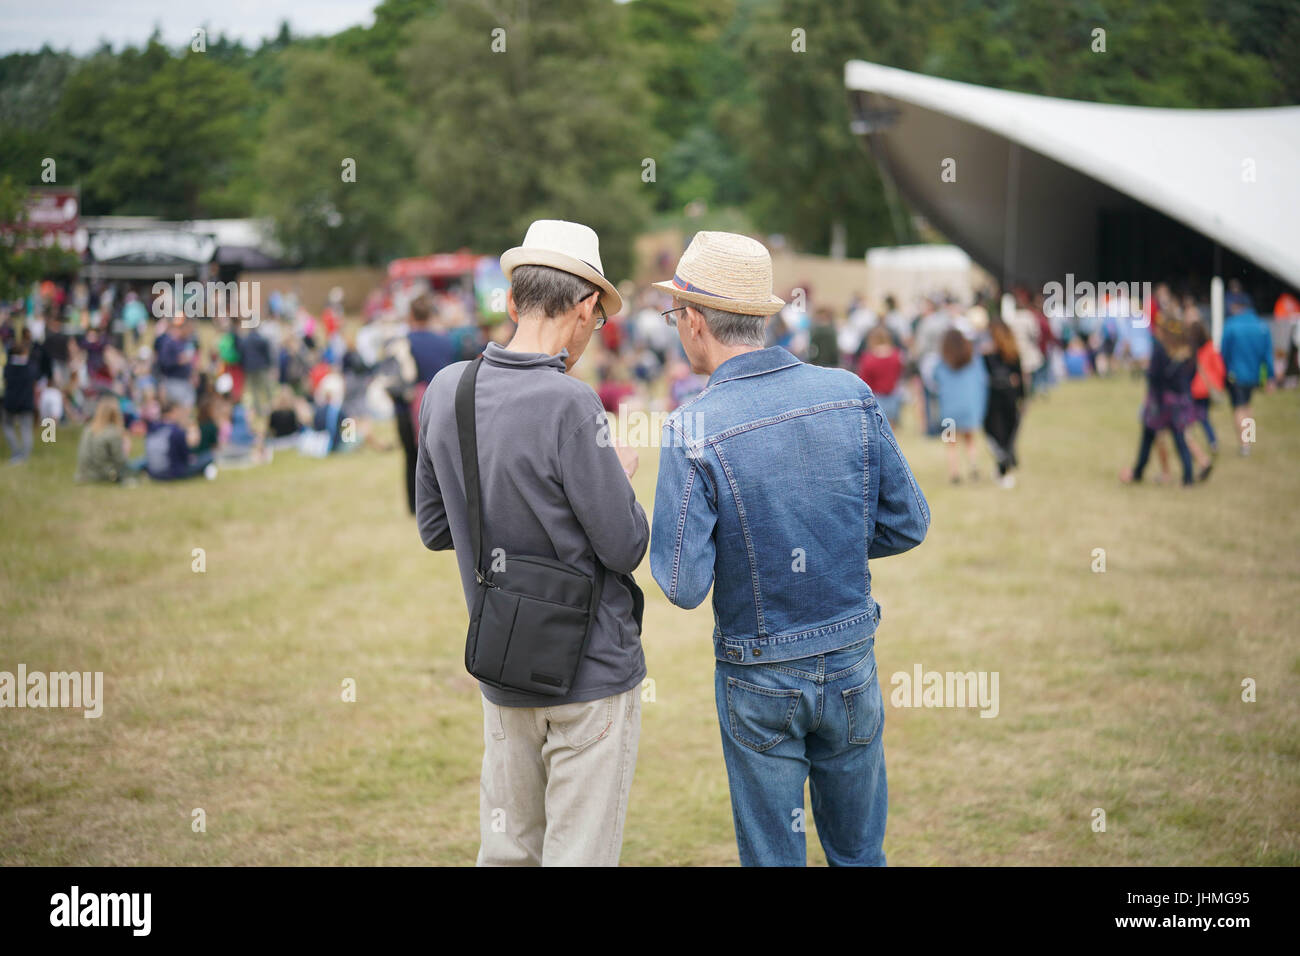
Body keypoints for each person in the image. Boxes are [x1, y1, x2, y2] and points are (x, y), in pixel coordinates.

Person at [648, 231, 930, 867]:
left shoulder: (693, 425)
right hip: (851, 655)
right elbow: (908, 521)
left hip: (760, 673)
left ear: (693, 319)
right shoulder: (850, 393)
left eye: (675, 316)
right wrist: (826, 549)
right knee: (861, 855)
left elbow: (681, 583)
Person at [416, 220, 648, 867]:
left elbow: (435, 528)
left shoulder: (445, 392)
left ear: (513, 302)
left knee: (508, 852)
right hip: (590, 673)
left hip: (503, 666)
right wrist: (620, 476)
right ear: (583, 308)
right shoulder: (574, 405)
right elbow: (625, 544)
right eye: (596, 318)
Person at [1120, 315, 1204, 486]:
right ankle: (1188, 478)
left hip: (1160, 402)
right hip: (1179, 401)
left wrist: (1153, 398)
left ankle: (1137, 473)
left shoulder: (1160, 349)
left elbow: (1153, 376)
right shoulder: (1186, 351)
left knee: (1148, 438)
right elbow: (1192, 374)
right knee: (1180, 439)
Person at [1219, 292, 1273, 456]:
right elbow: (1267, 354)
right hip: (1254, 375)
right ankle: (1249, 439)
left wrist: (1222, 374)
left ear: (1237, 306)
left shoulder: (1231, 325)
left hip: (1235, 374)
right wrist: (1270, 377)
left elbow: (1223, 353)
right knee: (1248, 406)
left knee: (1239, 408)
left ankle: (1244, 445)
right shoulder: (1261, 325)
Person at [934, 328, 988, 483]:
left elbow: (935, 379)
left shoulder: (942, 363)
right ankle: (973, 466)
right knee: (970, 439)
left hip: (949, 410)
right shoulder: (973, 359)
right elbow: (981, 380)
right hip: (968, 408)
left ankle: (954, 472)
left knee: (950, 443)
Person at [983, 319, 1026, 488]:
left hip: (1001, 400)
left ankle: (1004, 469)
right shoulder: (991, 354)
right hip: (1002, 400)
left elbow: (1019, 378)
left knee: (1003, 437)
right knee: (1000, 436)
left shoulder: (1001, 354)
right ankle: (1004, 466)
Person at [1188, 319, 1224, 455]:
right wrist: (1218, 384)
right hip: (1206, 389)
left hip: (1194, 389)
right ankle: (1212, 442)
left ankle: (1188, 441)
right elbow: (1220, 368)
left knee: (1191, 417)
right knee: (1204, 417)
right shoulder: (1210, 348)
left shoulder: (1191, 349)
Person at [857, 325, 904, 424]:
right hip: (893, 394)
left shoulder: (868, 358)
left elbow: (864, 380)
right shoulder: (896, 355)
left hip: (875, 396)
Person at [75, 396, 129, 483]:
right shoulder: (113, 432)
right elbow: (120, 461)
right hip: (101, 476)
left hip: (83, 475)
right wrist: (126, 448)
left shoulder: (88, 429)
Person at [2, 332, 37, 463]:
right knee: (26, 429)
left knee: (8, 426)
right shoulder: (30, 367)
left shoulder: (8, 368)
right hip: (26, 402)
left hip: (10, 402)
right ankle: (24, 455)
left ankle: (16, 452)